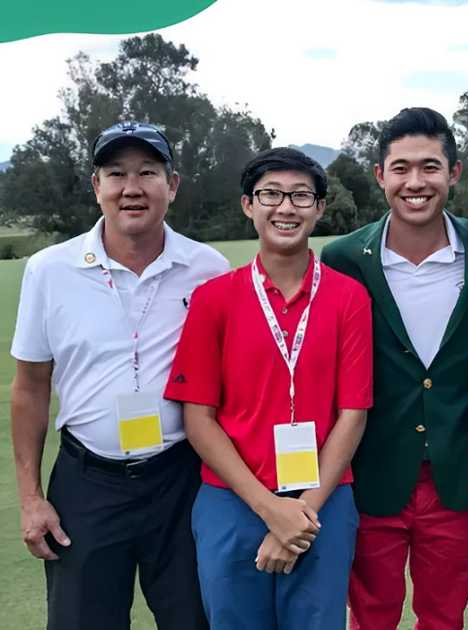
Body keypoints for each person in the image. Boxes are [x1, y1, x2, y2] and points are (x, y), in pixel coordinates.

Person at [10, 121, 227, 629]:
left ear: (172, 185)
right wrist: (30, 498)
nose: (132, 187)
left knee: (196, 619)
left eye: (148, 172)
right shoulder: (49, 270)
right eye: (116, 173)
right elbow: (30, 387)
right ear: (97, 186)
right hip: (88, 482)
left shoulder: (209, 268)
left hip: (181, 480)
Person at [163, 147, 372, 628]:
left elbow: (353, 413)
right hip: (232, 502)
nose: (286, 207)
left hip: (322, 500)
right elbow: (198, 417)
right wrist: (269, 509)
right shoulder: (214, 298)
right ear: (248, 205)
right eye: (271, 194)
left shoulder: (348, 297)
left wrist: (300, 513)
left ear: (320, 207)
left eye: (301, 195)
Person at [321, 107, 468, 630]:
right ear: (380, 175)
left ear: (453, 173)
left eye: (430, 167)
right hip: (372, 474)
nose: (416, 182)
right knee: (371, 616)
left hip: (457, 478)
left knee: (444, 616)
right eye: (402, 168)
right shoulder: (343, 258)